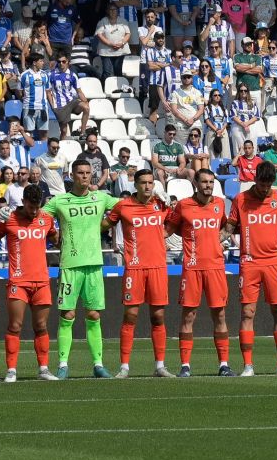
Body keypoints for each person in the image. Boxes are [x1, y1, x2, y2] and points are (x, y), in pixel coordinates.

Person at [42, 159, 116, 378]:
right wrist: (54, 236)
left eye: (88, 173)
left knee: (93, 315)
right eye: (80, 173)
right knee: (68, 313)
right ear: (71, 175)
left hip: (94, 264)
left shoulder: (100, 198)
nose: (84, 176)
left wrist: (108, 223)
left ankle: (98, 365)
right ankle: (63, 364)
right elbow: (40, 219)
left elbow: (124, 207)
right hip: (70, 265)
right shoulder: (59, 201)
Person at [106, 169, 171, 377]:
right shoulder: (124, 206)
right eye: (143, 183)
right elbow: (106, 224)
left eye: (151, 183)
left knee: (158, 316)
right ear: (135, 185)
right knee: (131, 316)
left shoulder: (161, 205)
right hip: (134, 267)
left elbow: (176, 222)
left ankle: (160, 366)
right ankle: (124, 366)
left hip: (158, 267)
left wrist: (172, 208)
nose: (147, 186)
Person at [231, 159, 277, 375]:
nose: (265, 189)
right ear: (254, 179)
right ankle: (248, 365)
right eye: (261, 184)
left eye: (268, 185)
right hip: (249, 262)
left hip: (274, 262)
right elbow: (230, 226)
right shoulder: (240, 200)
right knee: (248, 313)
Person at [169, 166, 233, 376]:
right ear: (195, 183)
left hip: (216, 267)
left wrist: (220, 240)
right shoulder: (184, 206)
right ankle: (185, 366)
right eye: (204, 182)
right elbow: (172, 228)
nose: (208, 186)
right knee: (188, 316)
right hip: (192, 268)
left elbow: (225, 227)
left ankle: (224, 364)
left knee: (220, 315)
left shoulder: (219, 204)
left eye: (211, 182)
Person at [0, 182, 57, 381]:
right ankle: (11, 370)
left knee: (41, 326)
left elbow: (57, 239)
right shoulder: (10, 219)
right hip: (18, 281)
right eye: (31, 207)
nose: (34, 211)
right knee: (15, 325)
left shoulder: (46, 219)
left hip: (42, 281)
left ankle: (44, 369)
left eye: (37, 207)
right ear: (23, 202)